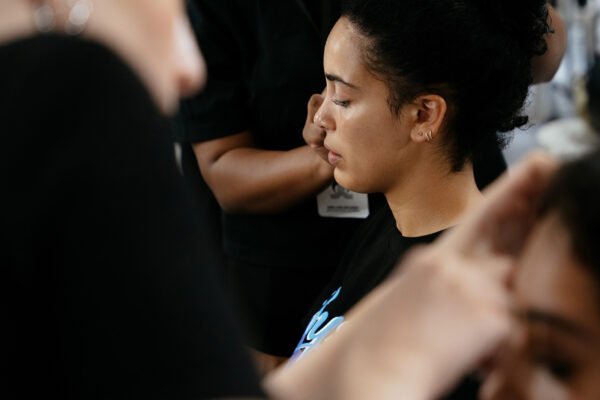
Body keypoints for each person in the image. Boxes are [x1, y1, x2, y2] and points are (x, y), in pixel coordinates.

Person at [294, 0, 553, 368]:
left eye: (343, 99)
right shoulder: (386, 227)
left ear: (423, 114)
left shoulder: (466, 306)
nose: (320, 117)